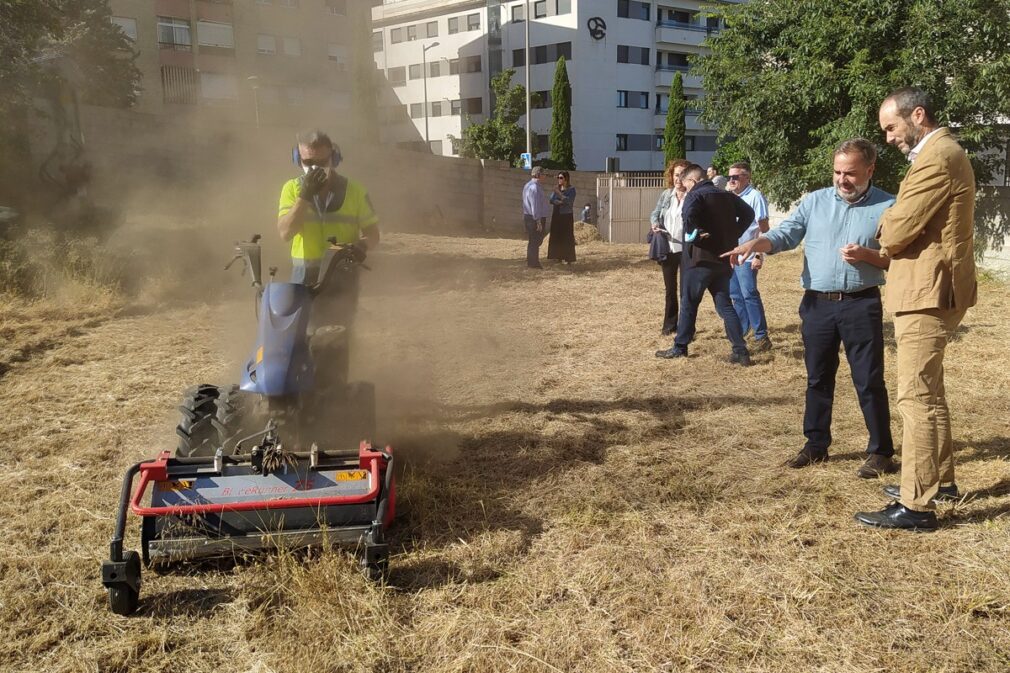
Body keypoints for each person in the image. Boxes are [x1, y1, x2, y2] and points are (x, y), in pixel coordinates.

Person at [722, 139, 898, 479]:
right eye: (837, 172)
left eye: (850, 173)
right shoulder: (815, 201)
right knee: (818, 378)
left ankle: (880, 451)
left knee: (869, 380)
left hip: (861, 304)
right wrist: (759, 242)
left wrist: (869, 256)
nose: (842, 180)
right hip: (817, 305)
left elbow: (898, 256)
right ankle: (815, 445)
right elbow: (786, 233)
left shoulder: (889, 206)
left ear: (870, 170)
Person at [855, 88, 977, 531]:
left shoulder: (937, 157)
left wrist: (886, 222)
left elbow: (894, 231)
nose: (888, 138)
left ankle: (917, 505)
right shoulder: (942, 153)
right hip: (931, 288)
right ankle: (938, 482)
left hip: (927, 291)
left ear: (917, 116)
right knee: (932, 392)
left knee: (917, 397)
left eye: (891, 127)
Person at [656, 164, 754, 365]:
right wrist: (733, 234)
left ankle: (680, 347)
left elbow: (688, 217)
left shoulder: (695, 195)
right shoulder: (726, 195)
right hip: (723, 259)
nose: (685, 188)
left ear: (692, 181)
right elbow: (749, 214)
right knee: (725, 305)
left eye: (685, 184)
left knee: (689, 303)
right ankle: (740, 351)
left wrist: (694, 235)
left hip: (699, 260)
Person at [277, 130, 379, 287]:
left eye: (322, 162)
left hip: (343, 276)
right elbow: (285, 233)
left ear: (334, 158)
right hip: (304, 278)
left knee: (341, 312)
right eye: (308, 163)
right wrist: (304, 196)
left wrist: (362, 245)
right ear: (298, 159)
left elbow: (373, 234)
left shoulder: (356, 191)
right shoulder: (291, 189)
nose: (315, 168)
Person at [726, 162, 773, 352]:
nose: (731, 180)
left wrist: (758, 255)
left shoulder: (755, 197)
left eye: (735, 177)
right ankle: (742, 332)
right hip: (732, 256)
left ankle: (761, 336)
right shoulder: (729, 198)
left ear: (747, 178)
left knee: (749, 295)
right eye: (729, 176)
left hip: (748, 255)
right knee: (736, 296)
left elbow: (765, 230)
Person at [649, 159, 690, 336]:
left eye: (682, 175)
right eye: (675, 175)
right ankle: (669, 325)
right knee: (670, 289)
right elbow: (655, 213)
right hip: (668, 248)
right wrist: (654, 224)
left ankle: (686, 327)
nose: (678, 179)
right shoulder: (667, 195)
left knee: (686, 291)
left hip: (687, 250)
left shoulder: (693, 195)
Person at [522, 166, 551, 269]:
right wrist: (538, 221)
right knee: (536, 240)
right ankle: (533, 263)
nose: (545, 176)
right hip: (535, 217)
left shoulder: (528, 185)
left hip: (530, 216)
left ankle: (531, 260)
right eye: (543, 174)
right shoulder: (534, 188)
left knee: (534, 240)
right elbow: (535, 205)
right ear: (538, 175)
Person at [547, 170, 577, 264]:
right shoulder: (558, 188)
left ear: (566, 179)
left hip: (566, 215)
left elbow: (569, 201)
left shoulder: (571, 190)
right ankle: (558, 257)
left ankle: (568, 258)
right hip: (557, 215)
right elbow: (551, 200)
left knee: (567, 237)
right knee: (557, 236)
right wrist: (560, 202)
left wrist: (559, 194)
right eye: (558, 178)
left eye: (561, 178)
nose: (559, 180)